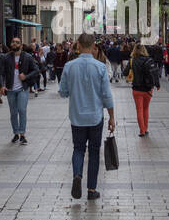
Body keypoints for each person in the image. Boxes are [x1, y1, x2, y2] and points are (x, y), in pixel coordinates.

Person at [58, 33, 115, 200]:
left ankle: (77, 174)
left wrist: (72, 92)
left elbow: (62, 92)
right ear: (92, 47)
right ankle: (91, 190)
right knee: (95, 152)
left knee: (78, 149)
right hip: (95, 117)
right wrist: (111, 116)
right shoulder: (100, 67)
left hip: (77, 117)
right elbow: (106, 94)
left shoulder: (69, 66)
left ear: (78, 45)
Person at [0, 36, 38, 144]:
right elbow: (1, 73)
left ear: (21, 45)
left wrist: (26, 76)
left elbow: (36, 70)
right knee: (13, 112)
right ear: (11, 44)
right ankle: (16, 133)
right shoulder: (6, 57)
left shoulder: (27, 57)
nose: (15, 43)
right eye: (13, 42)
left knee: (22, 110)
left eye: (17, 42)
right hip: (10, 89)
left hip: (22, 88)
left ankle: (22, 134)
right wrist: (2, 86)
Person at [125, 41, 157, 136]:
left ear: (134, 50)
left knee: (139, 110)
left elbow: (125, 72)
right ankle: (146, 128)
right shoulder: (149, 60)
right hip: (148, 89)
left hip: (137, 89)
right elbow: (154, 73)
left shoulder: (132, 60)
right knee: (146, 109)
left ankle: (142, 131)